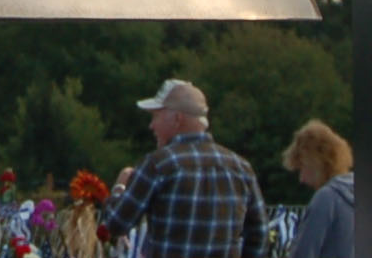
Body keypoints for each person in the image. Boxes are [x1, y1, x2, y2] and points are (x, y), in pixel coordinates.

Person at [101, 78, 266, 258]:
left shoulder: (158, 164)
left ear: (177, 119)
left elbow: (116, 224)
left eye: (156, 116)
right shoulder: (241, 168)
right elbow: (259, 233)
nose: (151, 126)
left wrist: (120, 187)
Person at [281, 120, 354, 258]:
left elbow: (303, 252)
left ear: (314, 162)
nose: (301, 179)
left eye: (301, 167)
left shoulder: (327, 197)